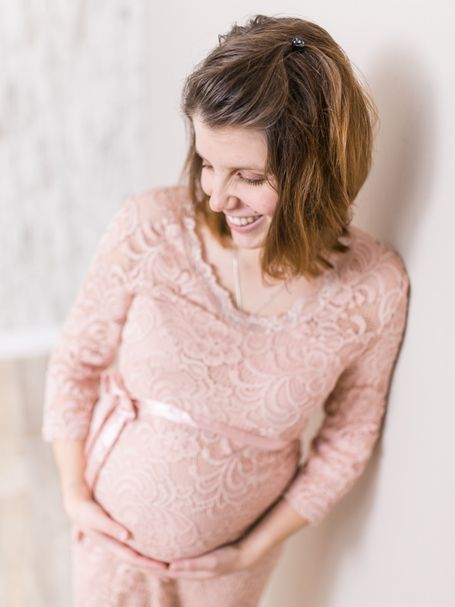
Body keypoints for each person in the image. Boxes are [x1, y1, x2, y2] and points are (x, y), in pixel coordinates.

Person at [41, 14, 410, 607]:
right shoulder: (151, 227)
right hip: (109, 546)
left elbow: (347, 438)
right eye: (208, 162)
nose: (215, 195)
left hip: (227, 575)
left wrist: (253, 549)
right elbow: (76, 359)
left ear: (317, 175)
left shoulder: (373, 289)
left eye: (249, 175)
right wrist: (72, 493)